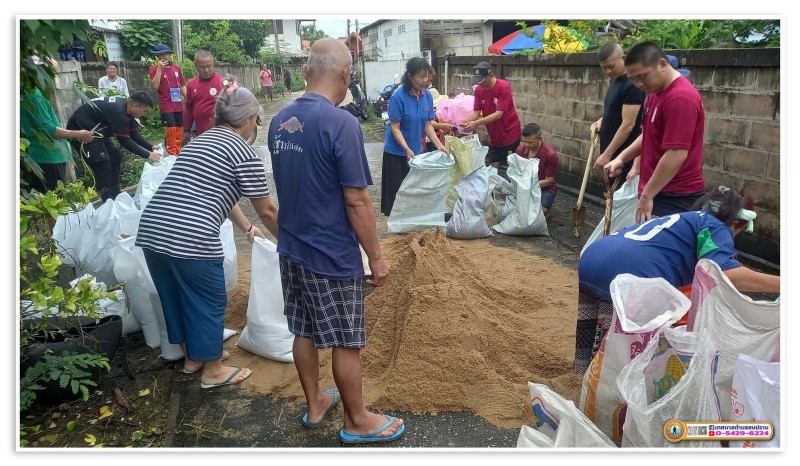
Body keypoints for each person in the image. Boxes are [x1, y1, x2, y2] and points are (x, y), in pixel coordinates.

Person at [267, 38, 405, 444]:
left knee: (304, 329)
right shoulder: (340, 122)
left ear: (307, 70)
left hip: (291, 248)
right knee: (346, 339)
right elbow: (358, 199)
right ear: (346, 75)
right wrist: (376, 258)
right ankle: (357, 419)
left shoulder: (280, 119)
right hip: (330, 252)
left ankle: (315, 404)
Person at [137, 79, 279, 388]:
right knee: (208, 298)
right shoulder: (243, 152)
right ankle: (213, 372)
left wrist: (247, 228)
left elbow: (215, 192)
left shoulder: (202, 140)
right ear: (251, 119)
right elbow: (268, 209)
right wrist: (291, 243)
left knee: (175, 298)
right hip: (191, 235)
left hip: (152, 231)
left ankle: (193, 358)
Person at [573, 187, 780, 373]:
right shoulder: (717, 227)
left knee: (590, 333)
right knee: (612, 353)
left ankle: (581, 373)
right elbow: (725, 272)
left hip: (594, 256)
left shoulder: (686, 218)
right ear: (736, 223)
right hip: (625, 273)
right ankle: (600, 387)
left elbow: (730, 266)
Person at [605, 41, 706, 223]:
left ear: (662, 64)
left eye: (642, 77)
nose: (638, 84)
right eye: (633, 79)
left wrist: (647, 196)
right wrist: (622, 157)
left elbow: (676, 154)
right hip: (657, 189)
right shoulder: (654, 92)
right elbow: (649, 135)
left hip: (676, 196)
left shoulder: (681, 98)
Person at [381, 57, 450, 217]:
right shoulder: (398, 97)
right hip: (396, 152)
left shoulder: (427, 96)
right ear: (410, 76)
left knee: (412, 188)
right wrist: (406, 148)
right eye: (421, 77)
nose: (425, 81)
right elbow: (395, 127)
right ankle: (396, 225)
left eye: (427, 77)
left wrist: (439, 145)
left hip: (416, 152)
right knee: (397, 189)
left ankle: (409, 220)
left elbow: (427, 124)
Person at [66, 91, 161, 201]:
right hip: (81, 132)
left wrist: (150, 147)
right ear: (135, 105)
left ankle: (115, 195)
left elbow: (133, 134)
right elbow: (125, 141)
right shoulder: (118, 111)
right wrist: (148, 155)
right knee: (103, 165)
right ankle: (107, 201)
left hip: (98, 132)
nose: (144, 114)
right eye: (144, 111)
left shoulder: (126, 109)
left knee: (115, 157)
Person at [20, 57, 94, 192]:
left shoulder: (25, 93)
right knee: (52, 200)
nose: (53, 77)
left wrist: (72, 136)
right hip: (48, 156)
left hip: (41, 155)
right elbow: (47, 129)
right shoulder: (34, 95)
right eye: (52, 73)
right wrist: (78, 133)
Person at [589, 42, 644, 186]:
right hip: (613, 155)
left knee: (618, 200)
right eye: (604, 68)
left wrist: (607, 155)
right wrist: (603, 120)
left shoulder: (631, 85)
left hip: (623, 157)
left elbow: (628, 125)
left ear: (624, 58)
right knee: (610, 199)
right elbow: (616, 111)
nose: (608, 71)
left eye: (611, 66)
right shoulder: (616, 80)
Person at [459, 61, 522, 170]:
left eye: (483, 80)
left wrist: (476, 123)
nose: (481, 84)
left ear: (491, 75)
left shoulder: (503, 87)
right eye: (478, 81)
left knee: (512, 167)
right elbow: (476, 111)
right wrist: (466, 120)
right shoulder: (479, 89)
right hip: (494, 135)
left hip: (509, 133)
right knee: (493, 164)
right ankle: (493, 186)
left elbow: (498, 114)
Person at [514, 123, 560, 215]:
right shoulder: (520, 150)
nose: (526, 145)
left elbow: (549, 180)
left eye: (530, 142)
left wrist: (529, 185)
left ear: (540, 139)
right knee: (513, 207)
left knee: (540, 213)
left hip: (544, 188)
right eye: (524, 141)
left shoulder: (550, 155)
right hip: (524, 185)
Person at [149, 44, 186, 156]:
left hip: (178, 104)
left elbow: (182, 85)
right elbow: (155, 86)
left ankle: (178, 152)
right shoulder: (154, 69)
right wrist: (160, 69)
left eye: (166, 54)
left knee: (179, 129)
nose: (164, 56)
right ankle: (172, 154)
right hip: (166, 105)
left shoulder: (176, 68)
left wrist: (188, 98)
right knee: (171, 129)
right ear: (157, 56)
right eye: (161, 54)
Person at [182, 49, 224, 147]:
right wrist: (186, 130)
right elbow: (189, 108)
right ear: (196, 66)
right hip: (201, 133)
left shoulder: (221, 82)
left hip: (219, 134)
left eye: (209, 66)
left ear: (213, 64)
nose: (206, 70)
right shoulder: (192, 84)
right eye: (202, 67)